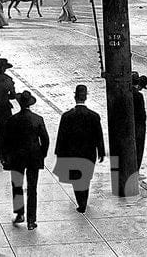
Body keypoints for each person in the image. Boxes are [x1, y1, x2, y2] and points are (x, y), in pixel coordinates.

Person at [53, 84, 105, 214]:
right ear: (86, 97)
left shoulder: (66, 116)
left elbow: (61, 136)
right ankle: (84, 202)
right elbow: (99, 136)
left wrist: (59, 153)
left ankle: (80, 202)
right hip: (88, 153)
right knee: (86, 178)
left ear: (75, 97)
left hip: (73, 153)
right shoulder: (94, 116)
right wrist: (101, 152)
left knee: (76, 179)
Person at [2, 91, 50, 230]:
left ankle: (19, 214)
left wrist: (6, 156)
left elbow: (6, 141)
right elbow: (45, 140)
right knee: (32, 188)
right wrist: (42, 154)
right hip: (34, 157)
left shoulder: (12, 120)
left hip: (17, 158)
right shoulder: (38, 119)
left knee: (17, 186)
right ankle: (31, 220)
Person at [132, 73, 147, 171]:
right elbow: (142, 116)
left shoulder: (125, 92)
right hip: (137, 128)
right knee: (138, 149)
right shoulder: (138, 96)